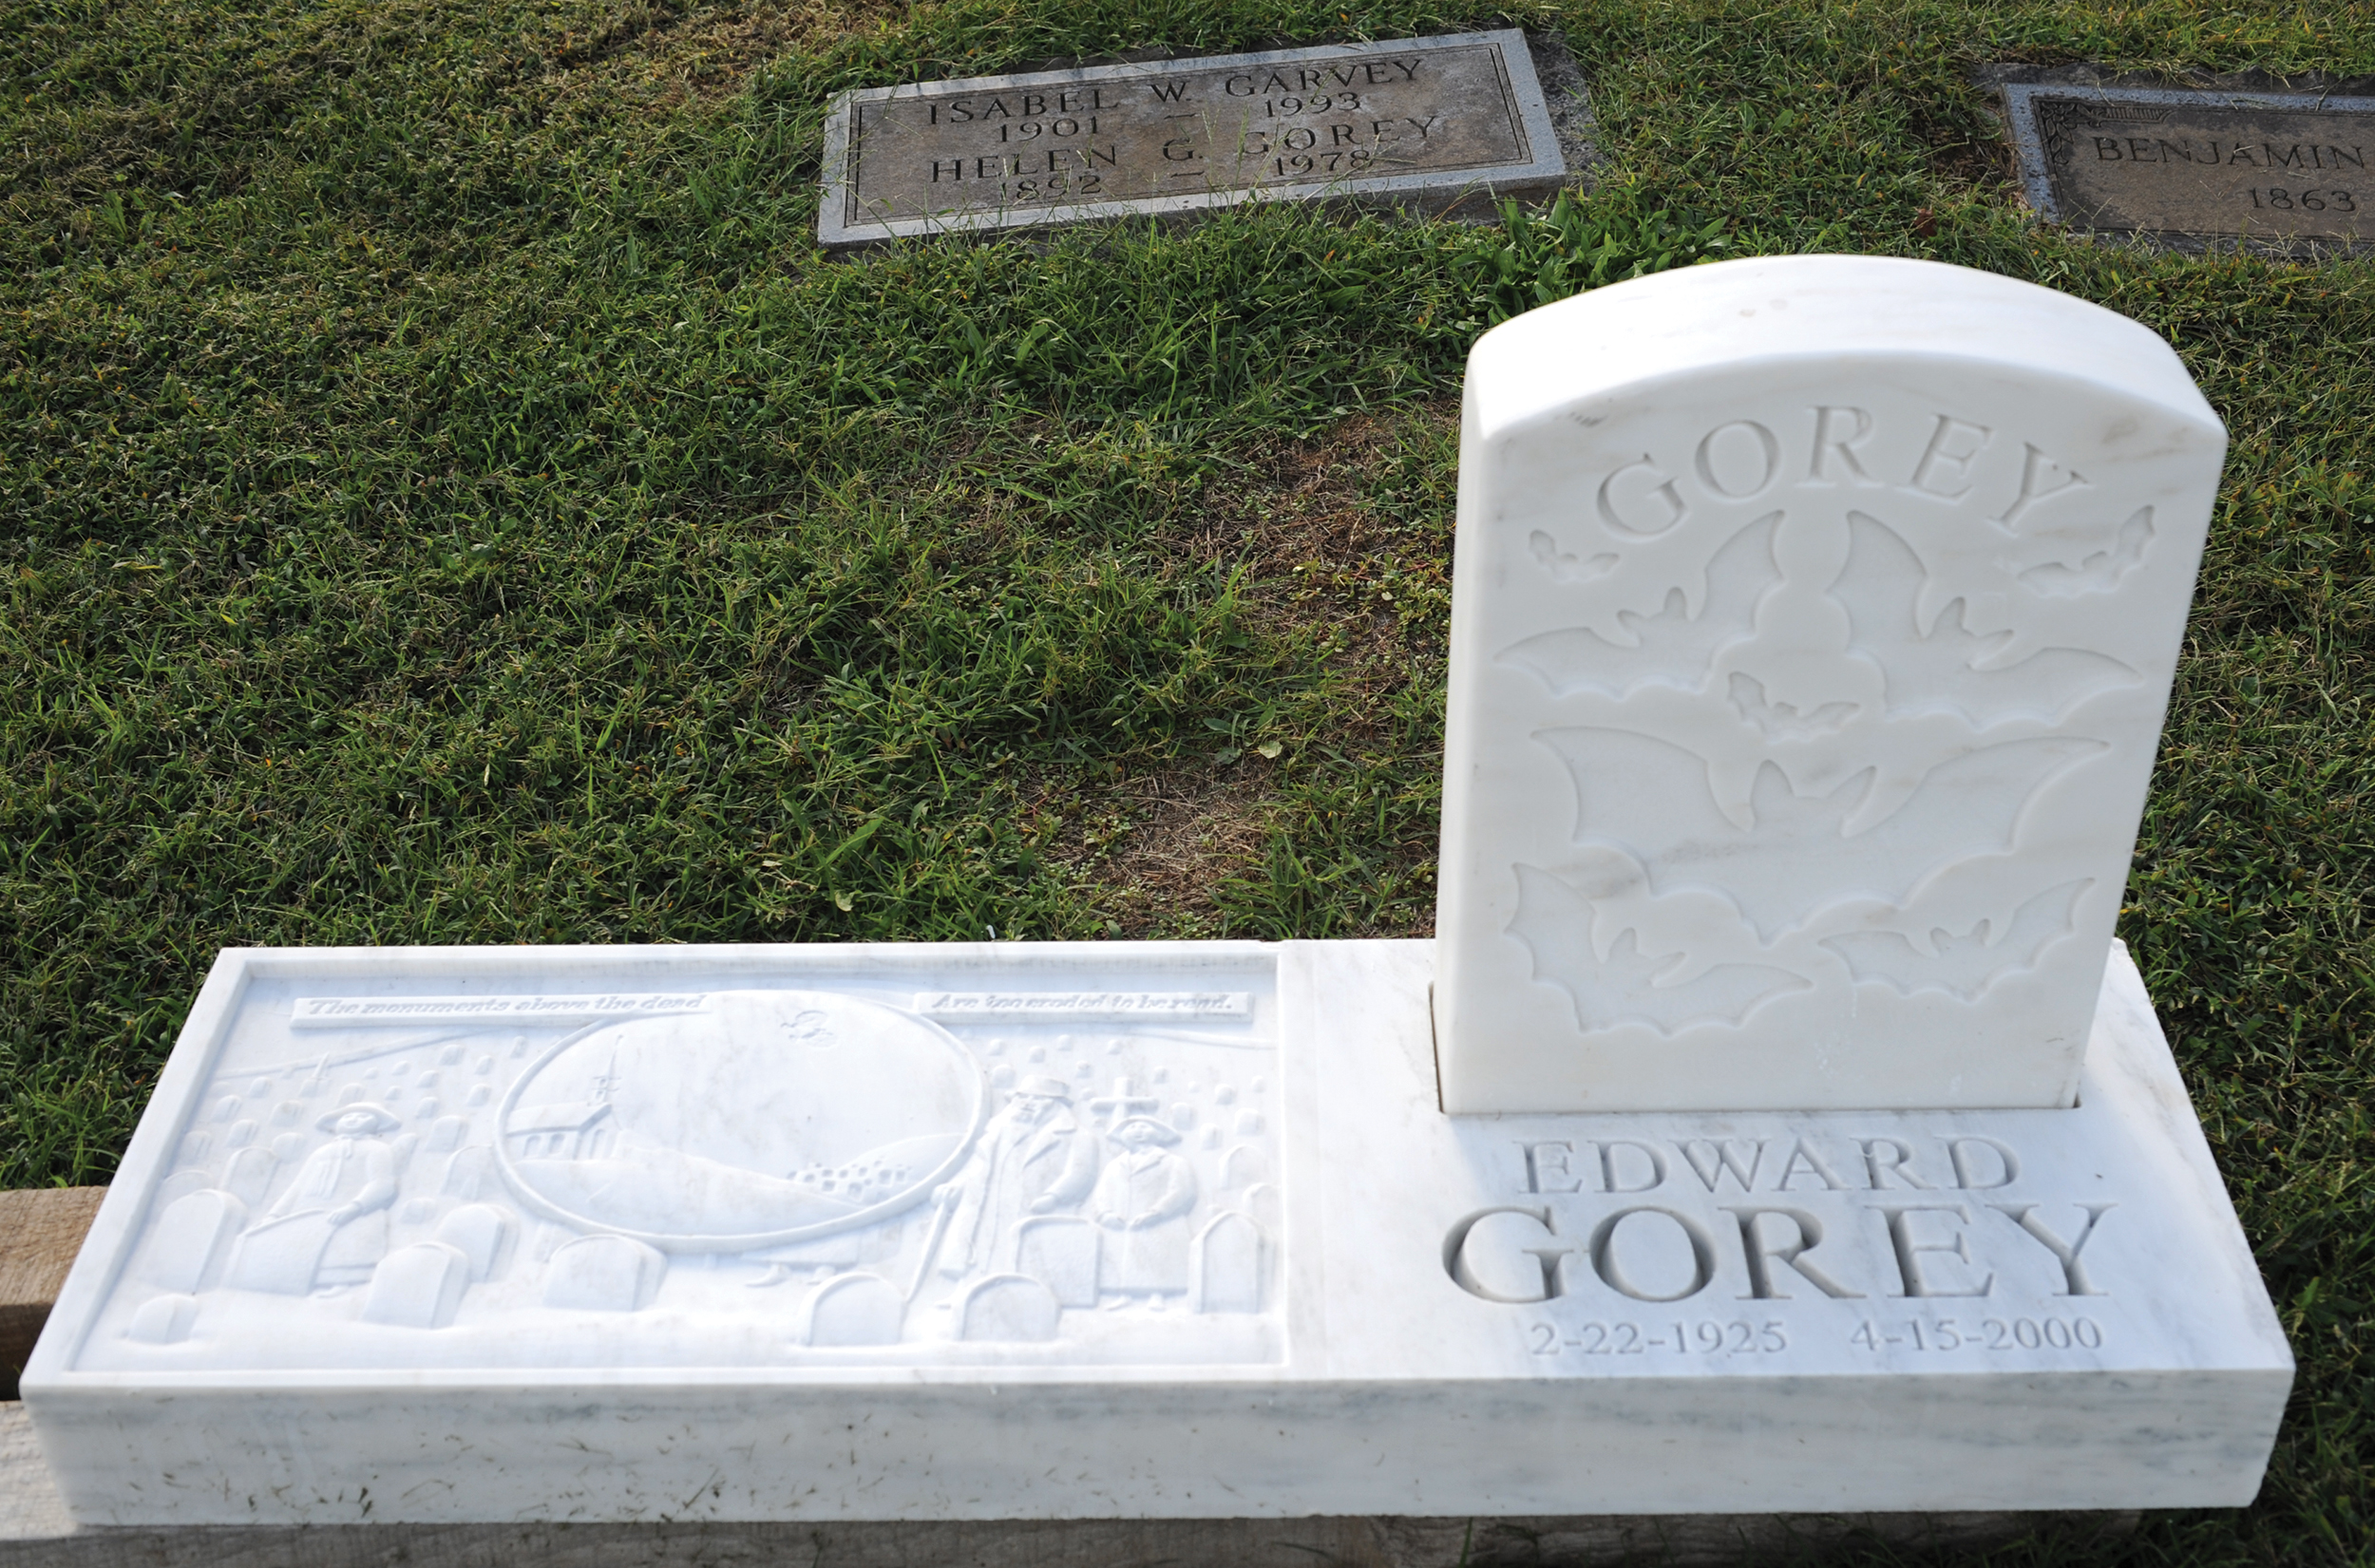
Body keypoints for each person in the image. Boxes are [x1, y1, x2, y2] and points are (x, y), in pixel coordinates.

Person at [933, 1077, 1099, 1278]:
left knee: (1027, 1254)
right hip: (989, 1204)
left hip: (1035, 1206)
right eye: (1023, 1097)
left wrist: (1053, 1197)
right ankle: (969, 1287)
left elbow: (1081, 1173)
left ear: (1057, 1105)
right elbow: (977, 1166)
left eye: (1037, 1099)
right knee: (981, 1246)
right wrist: (956, 1185)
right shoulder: (996, 1133)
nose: (1028, 1103)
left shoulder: (1078, 1136)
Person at [267, 1103, 402, 1290]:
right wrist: (275, 1215)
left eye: (362, 1117)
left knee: (346, 1249)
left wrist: (355, 1206)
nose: (354, 1119)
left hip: (355, 1215)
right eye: (347, 1116)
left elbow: (383, 1184)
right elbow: (297, 1187)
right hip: (308, 1215)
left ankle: (343, 1282)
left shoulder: (377, 1149)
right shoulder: (320, 1152)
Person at [1089, 1114, 1198, 1298]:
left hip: (1162, 1223)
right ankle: (1123, 1295)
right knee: (1121, 1261)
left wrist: (1156, 1212)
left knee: (1158, 1259)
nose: (1138, 1132)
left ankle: (1158, 1295)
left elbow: (1182, 1191)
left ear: (1158, 1134)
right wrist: (1105, 1214)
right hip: (1121, 1222)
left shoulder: (1174, 1162)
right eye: (1132, 1128)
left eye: (1144, 1127)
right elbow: (1101, 1194)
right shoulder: (1115, 1166)